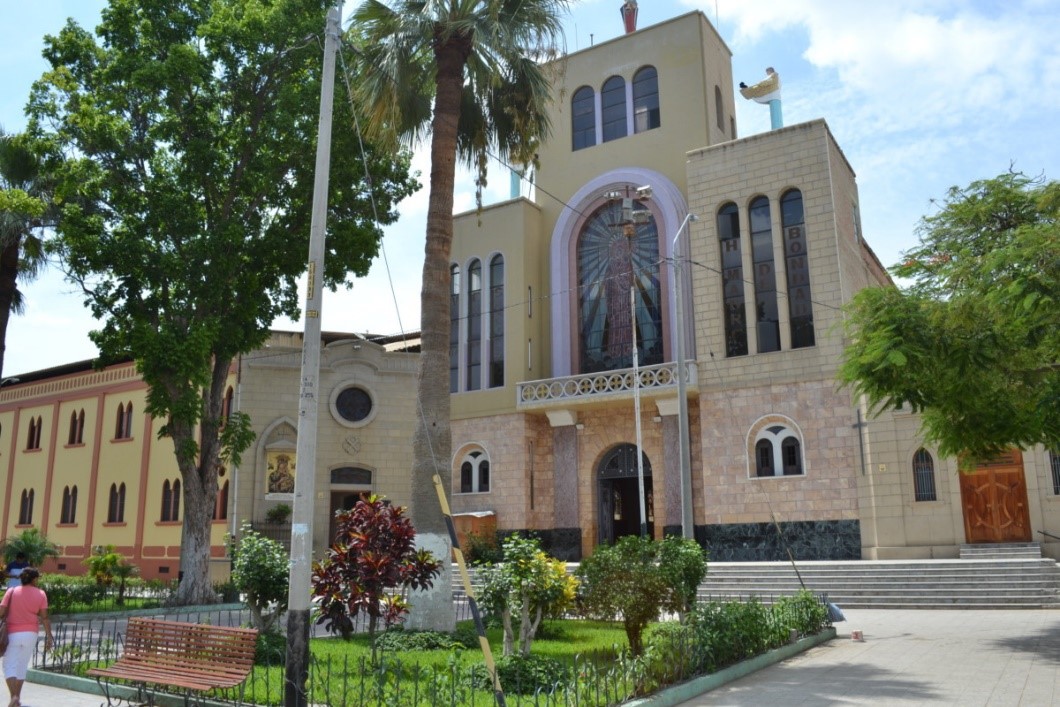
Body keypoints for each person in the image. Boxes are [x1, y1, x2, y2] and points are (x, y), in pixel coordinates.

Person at [0, 568, 52, 707]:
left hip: (12, 633)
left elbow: (1, 612)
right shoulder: (41, 594)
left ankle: (14, 697)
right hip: (31, 634)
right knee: (22, 666)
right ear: (34, 579)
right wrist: (49, 637)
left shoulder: (11, 591)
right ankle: (16, 700)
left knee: (8, 665)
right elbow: (45, 617)